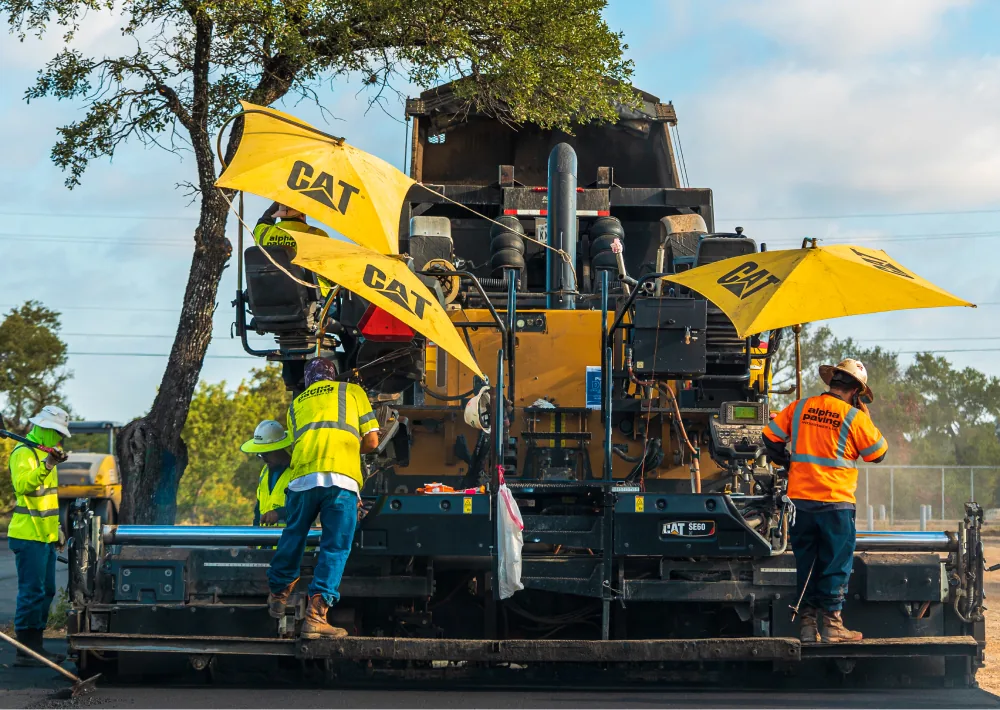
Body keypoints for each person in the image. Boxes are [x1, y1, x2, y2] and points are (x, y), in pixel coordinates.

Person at [762, 359, 888, 644]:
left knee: (806, 564)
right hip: (835, 504)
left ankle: (807, 627)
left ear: (832, 382)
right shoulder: (853, 417)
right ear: (856, 390)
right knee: (835, 563)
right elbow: (878, 453)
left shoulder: (799, 408)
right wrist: (863, 415)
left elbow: (769, 438)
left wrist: (789, 462)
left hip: (801, 504)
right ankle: (832, 626)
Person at [266, 358, 379, 639]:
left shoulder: (297, 404)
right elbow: (373, 441)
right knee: (334, 547)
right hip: (340, 481)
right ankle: (316, 617)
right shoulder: (352, 392)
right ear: (333, 376)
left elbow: (301, 443)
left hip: (303, 479)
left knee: (294, 534)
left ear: (308, 381)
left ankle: (279, 593)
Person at [8, 405, 70, 666]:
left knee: (46, 591)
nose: (58, 439)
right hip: (27, 535)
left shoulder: (47, 455)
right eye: (55, 433)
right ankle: (26, 651)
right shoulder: (24, 453)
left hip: (44, 535)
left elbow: (46, 500)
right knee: (31, 591)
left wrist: (56, 529)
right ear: (42, 428)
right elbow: (22, 485)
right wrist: (46, 464)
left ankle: (37, 646)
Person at [253, 201, 334, 294]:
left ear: (280, 215)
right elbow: (330, 269)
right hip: (312, 295)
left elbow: (264, 219)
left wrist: (279, 200)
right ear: (303, 214)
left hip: (271, 293)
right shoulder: (317, 235)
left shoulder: (263, 232)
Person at [240, 420, 295, 527]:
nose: (264, 459)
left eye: (267, 454)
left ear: (279, 449)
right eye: (260, 455)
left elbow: (307, 507)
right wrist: (253, 537)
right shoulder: (265, 472)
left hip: (292, 542)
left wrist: (280, 513)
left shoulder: (298, 472)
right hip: (267, 541)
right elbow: (258, 510)